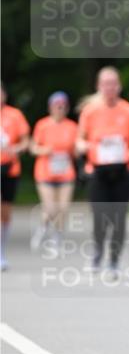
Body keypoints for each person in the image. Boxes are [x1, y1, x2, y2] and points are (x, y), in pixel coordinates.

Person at [77, 66, 129, 280]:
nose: (109, 88)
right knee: (100, 217)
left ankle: (114, 261)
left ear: (119, 86)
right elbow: (80, 139)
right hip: (98, 171)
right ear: (99, 86)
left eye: (113, 83)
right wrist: (82, 146)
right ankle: (98, 253)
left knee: (119, 218)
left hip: (123, 170)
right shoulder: (90, 111)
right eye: (105, 83)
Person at [29, 91, 78, 250]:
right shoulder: (42, 125)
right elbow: (33, 148)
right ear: (50, 107)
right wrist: (45, 151)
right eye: (57, 106)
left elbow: (76, 150)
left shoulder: (72, 127)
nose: (60, 109)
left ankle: (57, 237)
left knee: (63, 208)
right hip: (45, 172)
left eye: (63, 106)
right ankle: (43, 228)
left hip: (65, 172)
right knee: (50, 208)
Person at [0, 83, 30, 271]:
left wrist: (16, 149)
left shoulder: (15, 115)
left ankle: (2, 252)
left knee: (5, 213)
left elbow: (26, 141)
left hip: (10, 168)